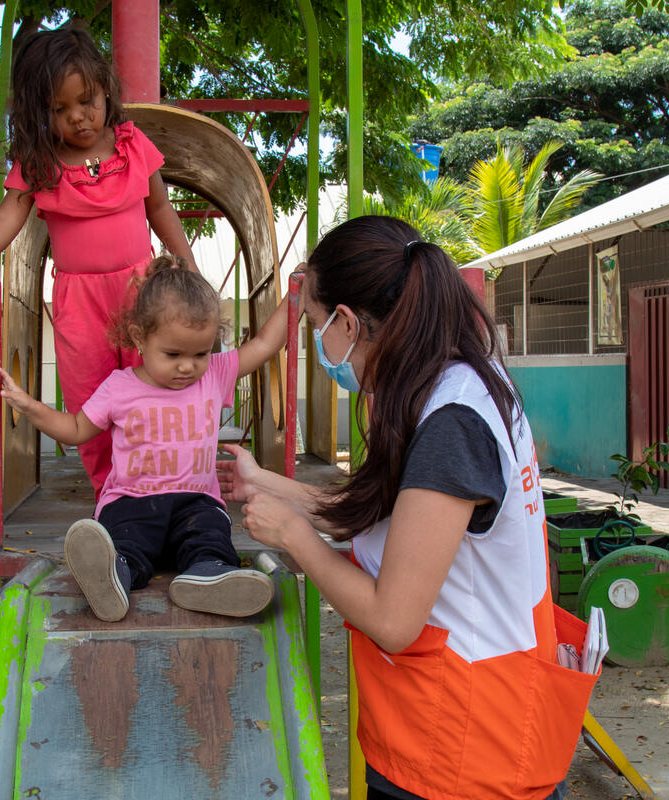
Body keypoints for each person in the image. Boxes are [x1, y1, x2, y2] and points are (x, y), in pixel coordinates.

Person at [218, 216, 598, 800]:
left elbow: (394, 621)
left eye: (317, 328)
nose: (321, 345)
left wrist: (296, 537)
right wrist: (263, 482)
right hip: (456, 727)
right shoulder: (458, 381)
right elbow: (397, 518)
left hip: (467, 750)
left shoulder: (451, 422)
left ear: (346, 321)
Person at [0, 25, 196, 499]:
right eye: (60, 109)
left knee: (155, 383)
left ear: (104, 90)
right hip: (80, 300)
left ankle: (166, 486)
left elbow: (160, 209)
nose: (78, 117)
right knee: (90, 397)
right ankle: (111, 495)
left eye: (87, 100)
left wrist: (188, 268)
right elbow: (8, 215)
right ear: (40, 113)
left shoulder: (132, 145)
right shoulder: (41, 163)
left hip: (144, 293)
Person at [0, 255, 294, 622]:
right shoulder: (120, 387)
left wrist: (299, 292)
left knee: (209, 535)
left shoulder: (215, 374)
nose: (188, 366)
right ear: (140, 337)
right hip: (132, 501)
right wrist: (29, 407)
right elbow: (74, 430)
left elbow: (265, 344)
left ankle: (209, 575)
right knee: (124, 541)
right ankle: (113, 576)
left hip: (195, 502)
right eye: (173, 354)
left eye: (200, 353)